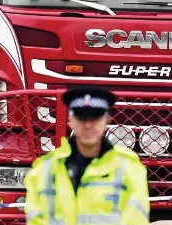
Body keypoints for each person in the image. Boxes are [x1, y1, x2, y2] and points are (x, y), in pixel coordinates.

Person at [24, 85, 150, 225]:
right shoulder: (43, 170)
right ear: (70, 121)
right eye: (81, 117)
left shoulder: (130, 168)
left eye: (95, 117)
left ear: (107, 121)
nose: (88, 125)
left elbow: (135, 220)